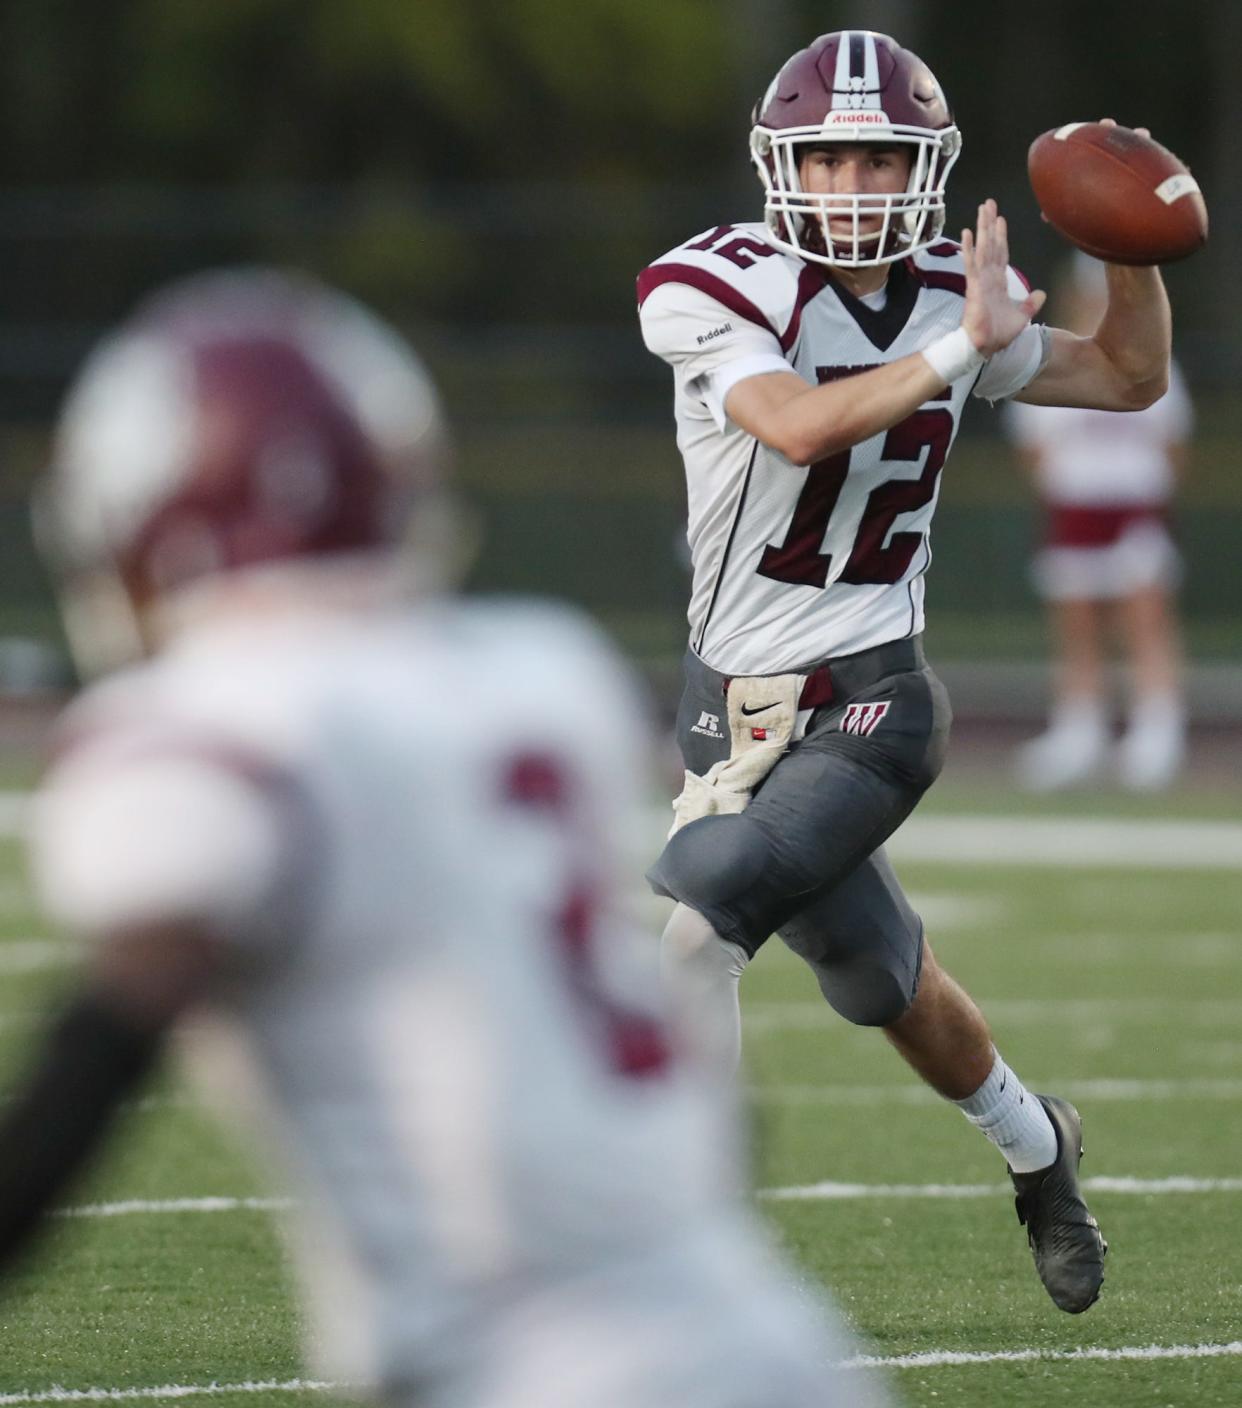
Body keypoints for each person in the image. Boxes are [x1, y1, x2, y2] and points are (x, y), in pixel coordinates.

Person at [0, 270, 888, 1408]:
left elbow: (103, 1041)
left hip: (531, 1366)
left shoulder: (207, 731)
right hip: (765, 1331)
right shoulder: (539, 672)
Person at [637, 29, 1172, 1315]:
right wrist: (959, 351)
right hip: (732, 704)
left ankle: (689, 1258)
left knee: (695, 927)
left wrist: (1128, 250)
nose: (859, 186)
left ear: (924, 165)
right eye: (832, 160)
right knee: (884, 981)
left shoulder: (951, 289)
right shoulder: (716, 284)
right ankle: (1041, 1147)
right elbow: (795, 422)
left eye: (884, 158)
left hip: (876, 691)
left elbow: (1129, 378)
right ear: (786, 167)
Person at [1007, 254, 1193, 791]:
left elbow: (1173, 440)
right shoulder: (1051, 355)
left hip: (1132, 510)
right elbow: (1033, 446)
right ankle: (1079, 732)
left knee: (1145, 620)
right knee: (1078, 626)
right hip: (1074, 511)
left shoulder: (1152, 355)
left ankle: (1157, 731)